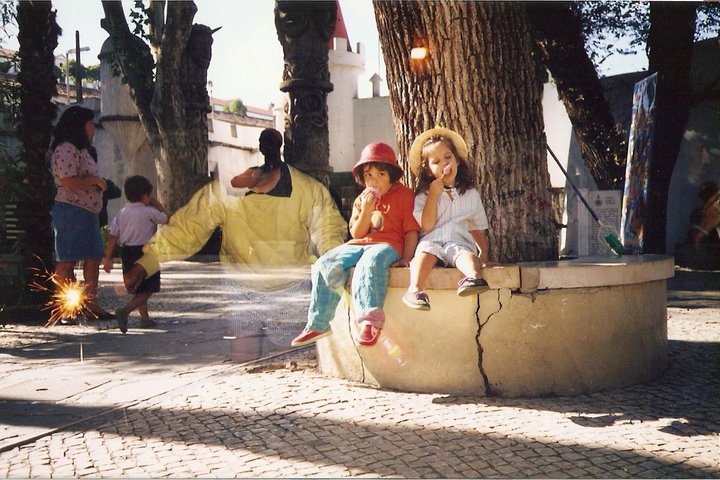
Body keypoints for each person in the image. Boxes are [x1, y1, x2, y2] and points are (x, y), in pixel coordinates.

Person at [122, 128, 347, 293]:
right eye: (264, 143)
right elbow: (189, 228)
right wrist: (146, 263)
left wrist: (339, 268)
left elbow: (328, 231)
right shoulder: (226, 191)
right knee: (243, 344)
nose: (267, 147)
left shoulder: (308, 190)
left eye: (271, 143)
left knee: (287, 346)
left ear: (279, 146)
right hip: (241, 289)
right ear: (260, 148)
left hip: (292, 289)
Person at [290, 142, 420, 347]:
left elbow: (411, 231)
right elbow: (357, 233)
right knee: (325, 262)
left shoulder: (404, 195)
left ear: (392, 176)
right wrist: (367, 209)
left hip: (388, 245)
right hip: (359, 243)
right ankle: (319, 323)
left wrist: (406, 258)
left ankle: (370, 321)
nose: (374, 180)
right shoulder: (361, 199)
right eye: (369, 175)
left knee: (370, 262)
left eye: (381, 174)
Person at [402, 127, 490, 311]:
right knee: (425, 253)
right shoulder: (424, 196)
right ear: (428, 171)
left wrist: (484, 255)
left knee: (465, 254)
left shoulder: (470, 194)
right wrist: (433, 195)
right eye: (436, 162)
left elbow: (476, 228)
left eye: (448, 157)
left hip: (458, 240)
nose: (444, 164)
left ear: (457, 160)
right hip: (432, 240)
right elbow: (427, 225)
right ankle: (415, 289)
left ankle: (474, 278)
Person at [49, 105, 115, 320]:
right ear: (79, 126)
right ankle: (65, 307)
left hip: (88, 211)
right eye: (90, 124)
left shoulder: (83, 150)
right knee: (67, 258)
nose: (93, 128)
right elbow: (68, 181)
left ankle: (91, 303)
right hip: (71, 210)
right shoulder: (66, 149)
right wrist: (95, 180)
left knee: (93, 257)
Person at [103, 175, 169, 334]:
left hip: (127, 252)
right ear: (145, 195)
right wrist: (158, 204)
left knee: (138, 287)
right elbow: (166, 219)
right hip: (145, 253)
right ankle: (125, 311)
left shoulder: (121, 213)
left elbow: (113, 237)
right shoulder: (149, 211)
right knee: (149, 288)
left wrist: (108, 258)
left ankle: (145, 318)